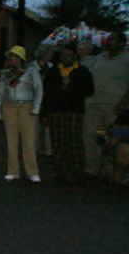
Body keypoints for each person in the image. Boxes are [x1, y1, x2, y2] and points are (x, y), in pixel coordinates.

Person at [40, 43, 94, 184]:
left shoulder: (82, 71)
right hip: (55, 111)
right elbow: (46, 93)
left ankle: (78, 171)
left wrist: (71, 85)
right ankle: (60, 171)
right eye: (63, 55)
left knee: (73, 141)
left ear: (74, 56)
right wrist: (44, 114)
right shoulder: (53, 72)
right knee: (57, 141)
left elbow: (89, 90)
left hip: (74, 110)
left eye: (68, 55)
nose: (65, 57)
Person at [81, 31, 129, 180]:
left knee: (112, 140)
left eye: (114, 39)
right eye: (108, 39)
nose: (109, 42)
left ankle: (110, 172)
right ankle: (92, 170)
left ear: (122, 43)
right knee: (92, 137)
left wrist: (123, 104)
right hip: (93, 106)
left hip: (115, 107)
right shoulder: (99, 58)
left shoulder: (127, 59)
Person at [0, 45, 44, 183]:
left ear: (21, 58)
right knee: (11, 141)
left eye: (15, 56)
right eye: (10, 57)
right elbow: (0, 92)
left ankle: (32, 171)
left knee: (29, 141)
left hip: (26, 105)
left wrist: (36, 108)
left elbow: (39, 88)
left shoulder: (31, 71)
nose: (12, 59)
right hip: (9, 106)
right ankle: (12, 171)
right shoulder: (6, 73)